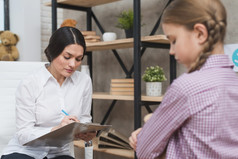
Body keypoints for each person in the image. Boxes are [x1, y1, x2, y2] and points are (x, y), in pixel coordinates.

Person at [129, 0, 238, 158]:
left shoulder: (187, 87)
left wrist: (151, 124)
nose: (171, 51)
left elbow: (145, 151)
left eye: (174, 40)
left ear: (200, 33)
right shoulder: (233, 82)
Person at [1, 27, 96, 159]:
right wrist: (56, 130)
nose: (73, 64)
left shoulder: (84, 82)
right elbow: (23, 134)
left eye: (79, 59)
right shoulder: (30, 83)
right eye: (67, 57)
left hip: (59, 153)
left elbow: (85, 119)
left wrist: (86, 132)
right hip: (25, 151)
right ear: (53, 52)